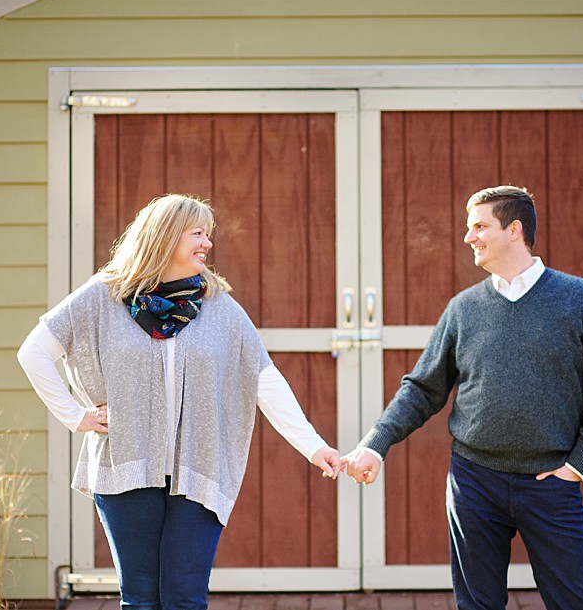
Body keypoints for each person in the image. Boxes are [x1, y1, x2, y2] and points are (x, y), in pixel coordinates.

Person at [18, 194, 341, 610]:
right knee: (141, 599)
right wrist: (75, 417)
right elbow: (34, 352)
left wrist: (313, 447)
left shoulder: (217, 306)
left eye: (209, 234)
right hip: (127, 468)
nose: (207, 243)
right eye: (197, 233)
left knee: (184, 598)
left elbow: (264, 378)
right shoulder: (102, 297)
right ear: (165, 236)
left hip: (199, 470)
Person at [342, 185, 583, 610]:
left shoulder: (578, 299)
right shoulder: (464, 308)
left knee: (579, 604)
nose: (468, 237)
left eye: (479, 226)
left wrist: (578, 466)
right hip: (474, 482)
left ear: (514, 230)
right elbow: (423, 388)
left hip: (551, 483)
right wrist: (375, 445)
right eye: (468, 227)